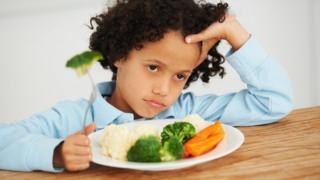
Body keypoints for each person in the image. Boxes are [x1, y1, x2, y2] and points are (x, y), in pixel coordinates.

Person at [0, 0, 293, 173]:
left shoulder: (188, 113)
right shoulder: (73, 119)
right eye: (153, 68)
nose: (164, 90)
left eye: (180, 76)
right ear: (119, 55)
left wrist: (234, 31)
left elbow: (273, 102)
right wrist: (55, 152)